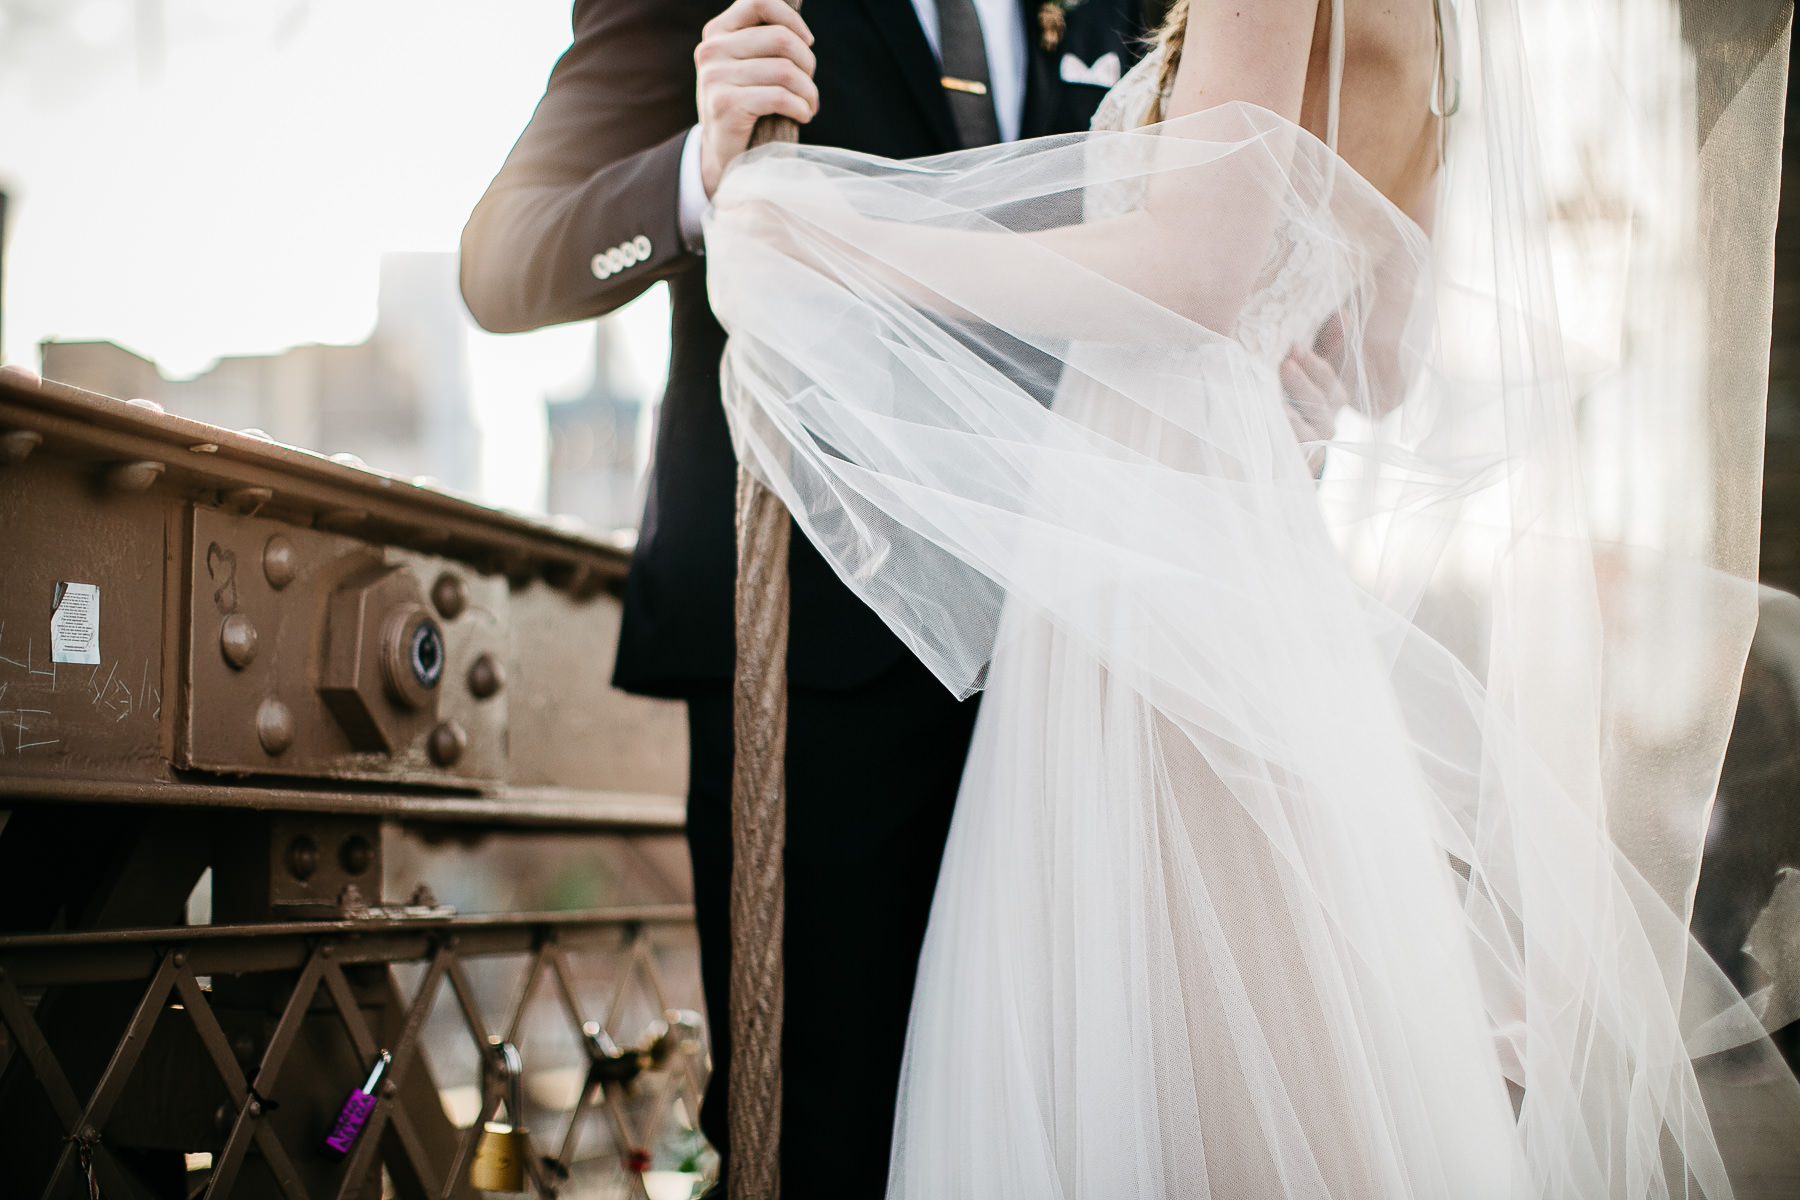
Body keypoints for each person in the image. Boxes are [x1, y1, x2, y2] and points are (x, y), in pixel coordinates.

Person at [703, 0, 1800, 1194]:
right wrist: (1293, 360)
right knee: (1253, 1023)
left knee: (1158, 1031)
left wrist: (836, 243)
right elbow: (1384, 364)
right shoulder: (1434, 28)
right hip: (1239, 535)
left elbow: (1190, 271)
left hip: (1157, 558)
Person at [460, 2, 1163, 1193]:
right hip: (813, 661)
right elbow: (501, 261)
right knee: (823, 1140)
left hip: (1073, 667)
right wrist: (702, 170)